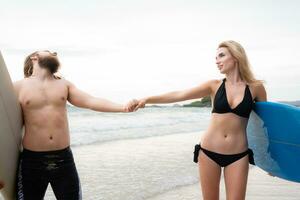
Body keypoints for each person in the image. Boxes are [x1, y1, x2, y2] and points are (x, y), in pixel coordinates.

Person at [134, 40, 267, 200]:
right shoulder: (214, 85)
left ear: (236, 57)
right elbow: (180, 95)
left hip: (239, 155)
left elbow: (264, 125)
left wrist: (271, 161)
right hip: (208, 153)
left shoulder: (256, 87)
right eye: (216, 57)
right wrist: (147, 99)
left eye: (221, 55)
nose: (217, 61)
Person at [13, 50, 138, 200]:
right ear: (34, 57)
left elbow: (91, 102)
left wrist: (123, 108)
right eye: (49, 52)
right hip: (32, 161)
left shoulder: (64, 85)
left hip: (63, 159)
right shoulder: (17, 87)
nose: (54, 52)